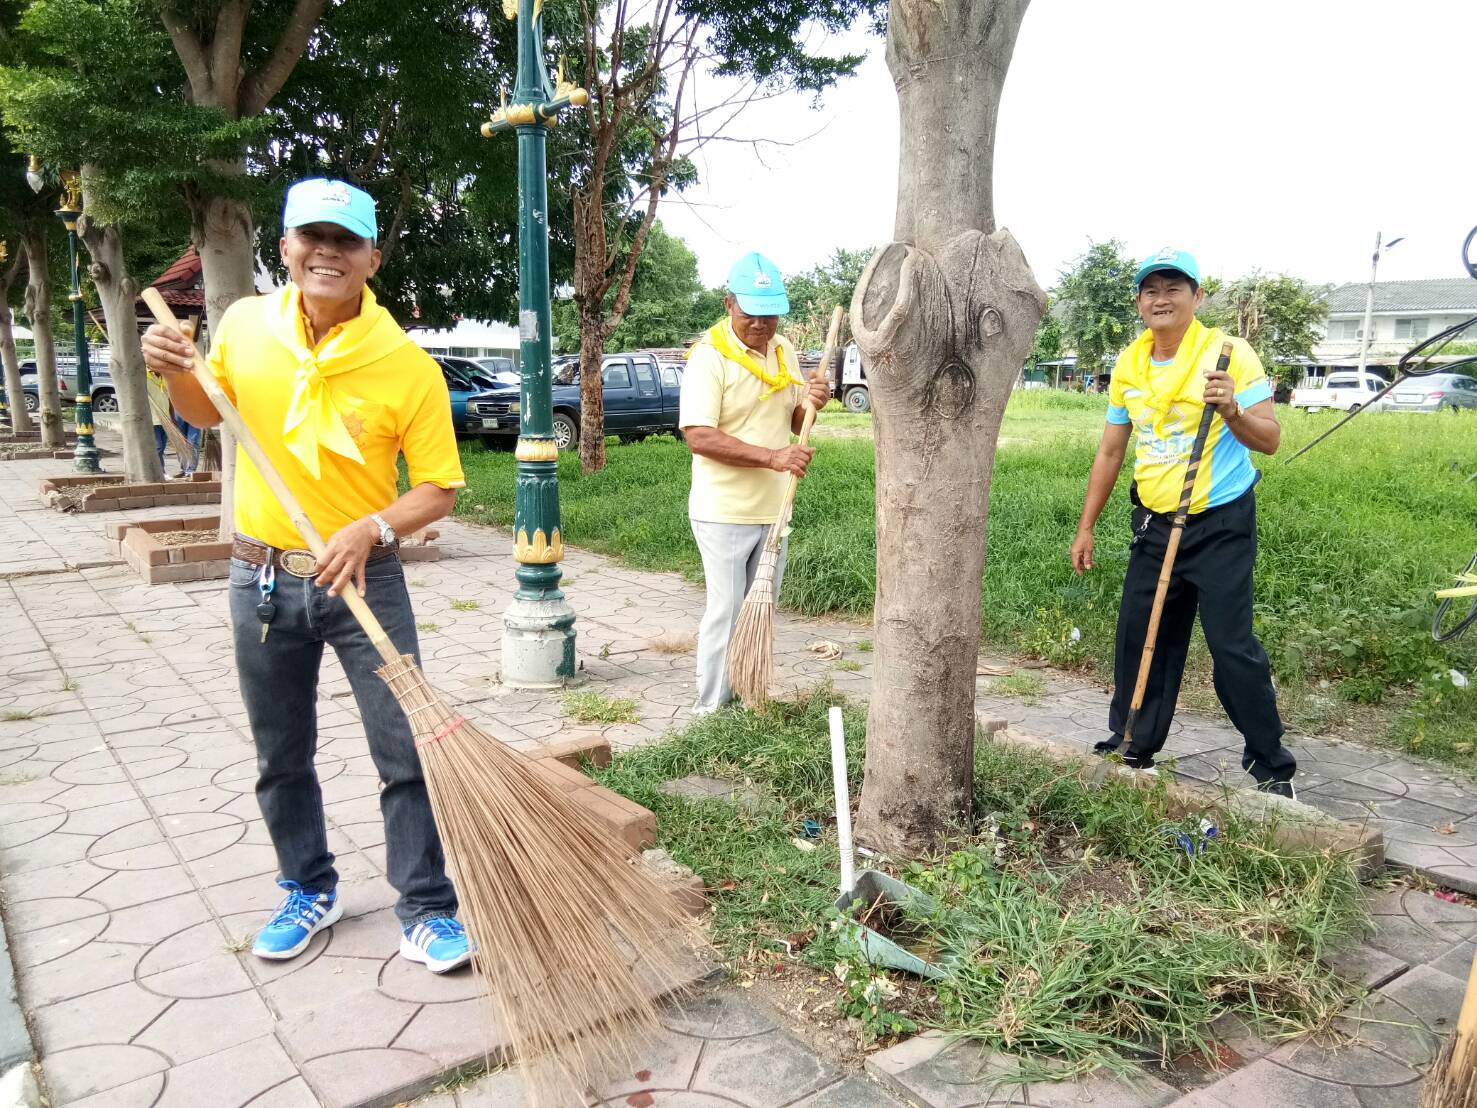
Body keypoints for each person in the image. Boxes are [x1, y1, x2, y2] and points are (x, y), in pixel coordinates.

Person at [142, 178, 473, 971]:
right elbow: (205, 411)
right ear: (286, 248)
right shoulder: (246, 326)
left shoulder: (406, 366)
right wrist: (174, 369)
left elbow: (438, 488)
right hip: (262, 576)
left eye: (345, 240)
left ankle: (426, 907)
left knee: (405, 748)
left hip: (367, 578)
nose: (327, 252)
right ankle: (307, 888)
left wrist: (371, 527)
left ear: (371, 258)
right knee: (280, 751)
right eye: (312, 237)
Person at [1070, 247, 1297, 798]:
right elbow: (1111, 450)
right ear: (1139, 303)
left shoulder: (1228, 354)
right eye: (1151, 290)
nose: (1161, 298)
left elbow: (1270, 440)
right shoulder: (1130, 364)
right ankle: (1132, 743)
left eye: (1174, 288)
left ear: (1196, 296)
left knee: (1230, 646)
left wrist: (1232, 412)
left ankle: (1270, 764)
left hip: (1220, 523)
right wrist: (1086, 525)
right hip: (1154, 524)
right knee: (1142, 635)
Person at [679, 252, 831, 713]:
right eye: (751, 313)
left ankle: (749, 700)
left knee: (759, 611)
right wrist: (773, 458)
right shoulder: (709, 358)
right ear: (729, 304)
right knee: (726, 611)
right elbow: (698, 436)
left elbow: (795, 421)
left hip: (774, 509)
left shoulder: (784, 350)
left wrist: (814, 401)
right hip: (723, 510)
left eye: (770, 314)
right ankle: (711, 709)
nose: (761, 324)